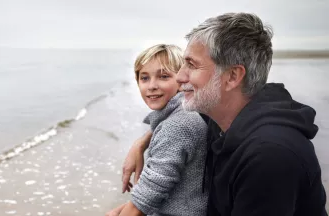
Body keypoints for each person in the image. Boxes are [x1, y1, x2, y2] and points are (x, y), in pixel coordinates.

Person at [122, 12, 328, 216]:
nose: (180, 76)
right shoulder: (224, 120)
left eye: (192, 65)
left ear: (232, 76)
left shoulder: (269, 157)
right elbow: (176, 125)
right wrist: (142, 142)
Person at [106, 44, 209, 216]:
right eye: (144, 78)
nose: (152, 86)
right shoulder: (187, 112)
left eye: (163, 76)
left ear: (182, 80)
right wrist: (140, 143)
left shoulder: (177, 126)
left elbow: (147, 197)